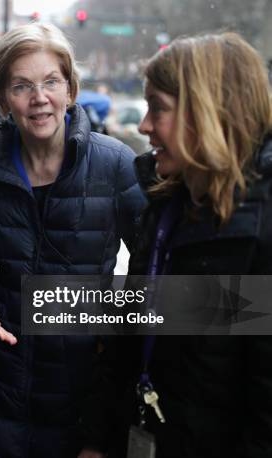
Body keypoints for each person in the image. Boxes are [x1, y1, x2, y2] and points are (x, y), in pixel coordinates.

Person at [0, 22, 146, 457]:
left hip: (86, 392)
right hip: (3, 386)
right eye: (22, 86)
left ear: (70, 90)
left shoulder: (115, 164)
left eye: (51, 82)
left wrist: (109, 325)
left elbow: (155, 269)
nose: (39, 98)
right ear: (2, 99)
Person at [124, 32, 272, 458]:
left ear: (207, 112)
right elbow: (131, 332)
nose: (143, 125)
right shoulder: (165, 207)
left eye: (159, 108)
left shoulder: (259, 232)